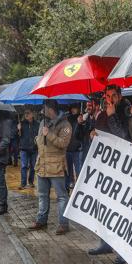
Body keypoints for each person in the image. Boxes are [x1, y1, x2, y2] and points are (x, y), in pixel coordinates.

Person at [88, 85, 131, 264]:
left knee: (120, 210)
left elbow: (123, 136)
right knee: (103, 207)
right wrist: (93, 133)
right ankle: (105, 242)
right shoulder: (102, 113)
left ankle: (123, 249)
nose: (111, 99)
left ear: (119, 96)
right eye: (108, 96)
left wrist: (113, 115)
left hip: (121, 168)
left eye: (114, 95)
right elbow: (99, 133)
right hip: (104, 166)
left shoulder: (125, 112)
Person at [28, 100, 72, 234]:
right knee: (42, 195)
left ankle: (63, 224)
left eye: (44, 108)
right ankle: (41, 220)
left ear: (50, 109)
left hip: (56, 167)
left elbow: (63, 143)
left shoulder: (65, 125)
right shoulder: (43, 123)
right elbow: (42, 142)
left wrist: (49, 134)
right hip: (42, 166)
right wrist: (37, 139)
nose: (42, 111)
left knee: (62, 197)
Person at [18, 108, 39, 189]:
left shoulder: (37, 124)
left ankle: (31, 182)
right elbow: (17, 136)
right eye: (25, 113)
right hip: (24, 148)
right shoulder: (22, 124)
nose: (26, 114)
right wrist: (18, 130)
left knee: (33, 166)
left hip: (34, 149)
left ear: (32, 114)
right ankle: (23, 184)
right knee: (24, 166)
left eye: (28, 113)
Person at [65, 104, 83, 190]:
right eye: (72, 108)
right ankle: (70, 182)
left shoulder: (82, 118)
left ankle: (79, 183)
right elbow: (65, 131)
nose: (73, 110)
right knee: (69, 168)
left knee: (78, 167)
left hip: (77, 148)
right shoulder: (67, 118)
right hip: (68, 147)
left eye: (75, 108)